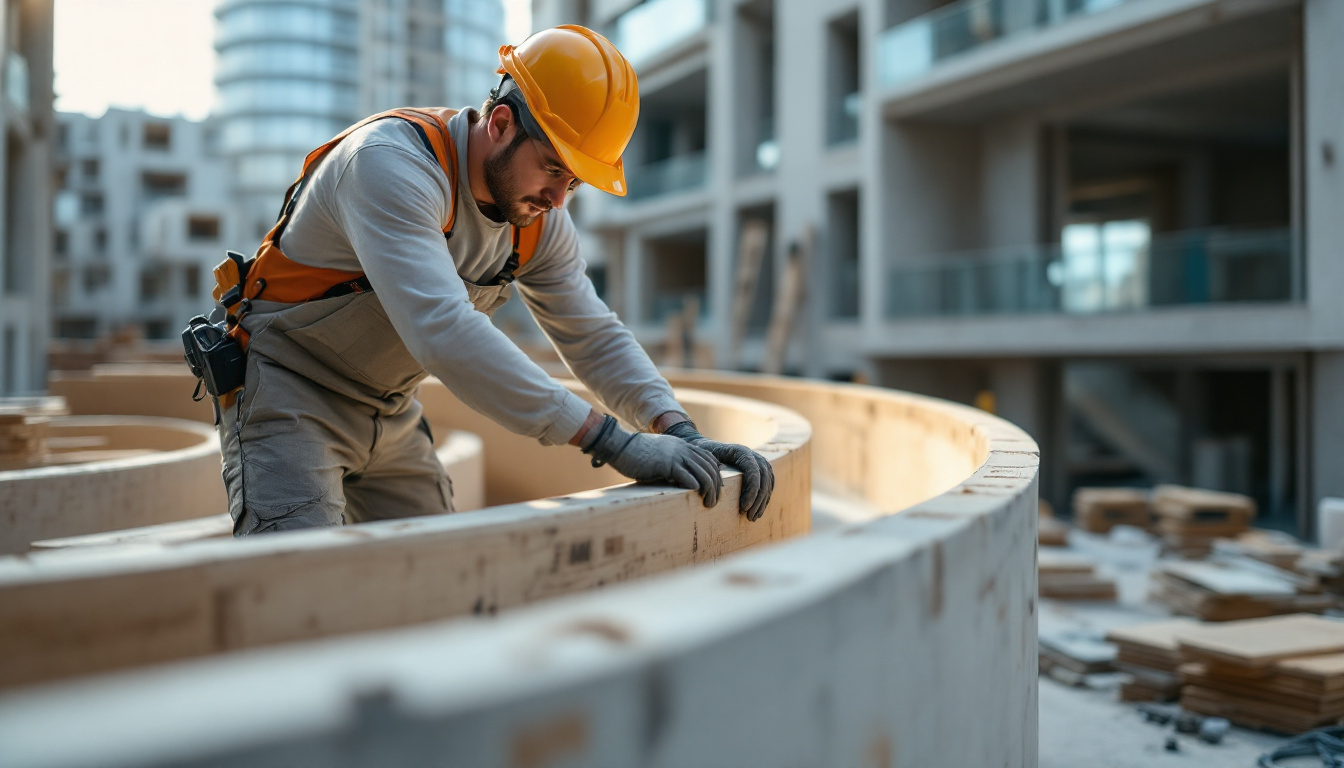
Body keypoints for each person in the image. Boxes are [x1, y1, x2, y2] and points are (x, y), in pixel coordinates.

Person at [208, 25, 774, 535]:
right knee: (297, 591)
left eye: (574, 183)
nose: (558, 199)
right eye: (554, 169)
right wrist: (612, 441)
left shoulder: (535, 219)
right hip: (289, 393)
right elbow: (445, 332)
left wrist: (679, 431)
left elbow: (593, 334)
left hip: (389, 408)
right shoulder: (388, 166)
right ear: (501, 124)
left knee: (433, 586)